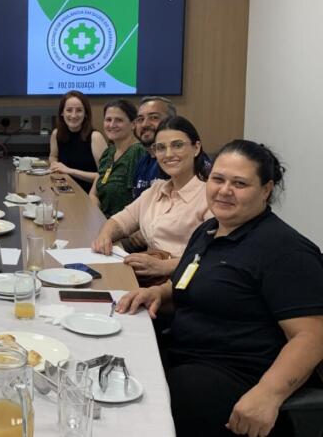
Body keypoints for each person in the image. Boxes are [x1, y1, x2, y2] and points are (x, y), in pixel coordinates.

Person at [117, 140, 323, 437]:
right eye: (218, 179)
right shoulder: (209, 231)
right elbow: (188, 285)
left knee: (154, 400)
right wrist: (159, 293)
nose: (225, 190)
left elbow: (311, 336)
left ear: (266, 189)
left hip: (236, 374)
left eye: (239, 183)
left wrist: (269, 393)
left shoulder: (286, 250)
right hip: (186, 353)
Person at [91, 116, 212, 284]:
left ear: (196, 148)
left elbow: (210, 257)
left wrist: (163, 266)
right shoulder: (156, 189)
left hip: (183, 283)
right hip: (148, 276)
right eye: (161, 148)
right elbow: (120, 221)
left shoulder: (210, 197)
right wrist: (105, 236)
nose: (168, 154)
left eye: (177, 145)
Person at [89, 99, 147, 217]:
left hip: (125, 228)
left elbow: (140, 201)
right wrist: (97, 217)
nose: (111, 125)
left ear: (133, 124)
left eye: (119, 120)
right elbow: (94, 194)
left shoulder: (137, 152)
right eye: (108, 120)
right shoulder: (109, 152)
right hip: (102, 221)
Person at [48, 90, 108, 193]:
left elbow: (105, 176)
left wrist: (69, 171)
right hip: (64, 191)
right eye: (69, 110)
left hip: (89, 195)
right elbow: (53, 156)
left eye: (79, 110)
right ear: (62, 112)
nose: (74, 115)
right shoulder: (56, 134)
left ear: (86, 114)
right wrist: (55, 165)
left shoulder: (95, 137)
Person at [131, 96, 177, 199]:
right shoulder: (141, 163)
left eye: (154, 117)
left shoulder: (179, 159)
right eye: (140, 119)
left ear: (172, 121)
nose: (144, 124)